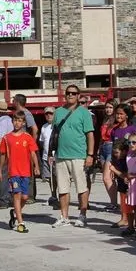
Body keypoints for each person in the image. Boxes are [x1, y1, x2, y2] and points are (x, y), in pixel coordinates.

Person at [51, 85, 94, 228]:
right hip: (61, 155)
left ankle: (82, 215)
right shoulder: (58, 112)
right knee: (63, 188)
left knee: (81, 187)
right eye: (68, 93)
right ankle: (64, 217)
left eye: (74, 93)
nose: (70, 95)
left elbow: (90, 135)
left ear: (78, 96)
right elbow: (54, 133)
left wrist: (90, 155)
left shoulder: (84, 113)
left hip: (79, 154)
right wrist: (52, 152)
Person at [0, 112, 40, 233]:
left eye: (20, 121)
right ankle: (20, 223)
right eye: (15, 120)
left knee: (25, 197)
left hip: (25, 172)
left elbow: (33, 153)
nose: (17, 123)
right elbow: (3, 155)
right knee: (17, 195)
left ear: (24, 123)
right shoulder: (6, 138)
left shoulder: (28, 137)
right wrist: (0, 171)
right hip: (13, 172)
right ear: (12, 121)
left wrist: (36, 166)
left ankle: (15, 212)